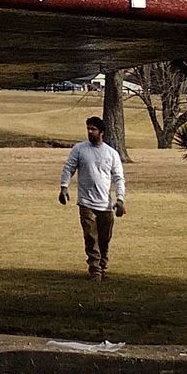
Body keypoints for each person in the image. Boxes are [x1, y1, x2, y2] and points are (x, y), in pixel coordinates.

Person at [58, 112, 127, 277]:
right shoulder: (79, 149)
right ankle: (95, 269)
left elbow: (118, 177)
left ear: (101, 132)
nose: (90, 132)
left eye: (93, 129)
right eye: (88, 129)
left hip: (105, 204)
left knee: (104, 238)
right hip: (86, 202)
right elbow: (69, 168)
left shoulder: (111, 153)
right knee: (90, 237)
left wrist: (120, 199)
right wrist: (64, 187)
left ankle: (103, 266)